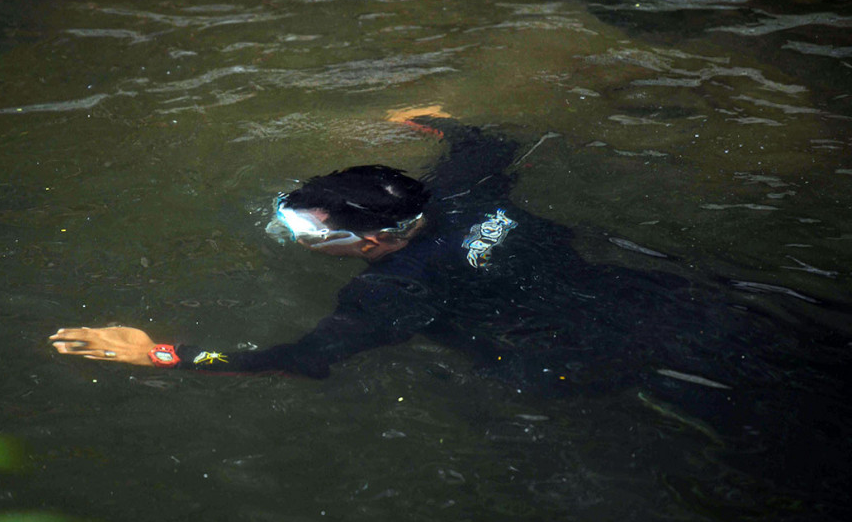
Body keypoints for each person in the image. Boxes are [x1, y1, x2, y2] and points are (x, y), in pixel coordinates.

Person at [50, 107, 762, 412]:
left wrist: (161, 355)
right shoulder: (461, 191)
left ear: (379, 242)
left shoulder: (388, 293)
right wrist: (436, 120)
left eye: (312, 235)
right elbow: (486, 142)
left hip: (592, 362)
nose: (295, 239)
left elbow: (301, 359)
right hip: (668, 298)